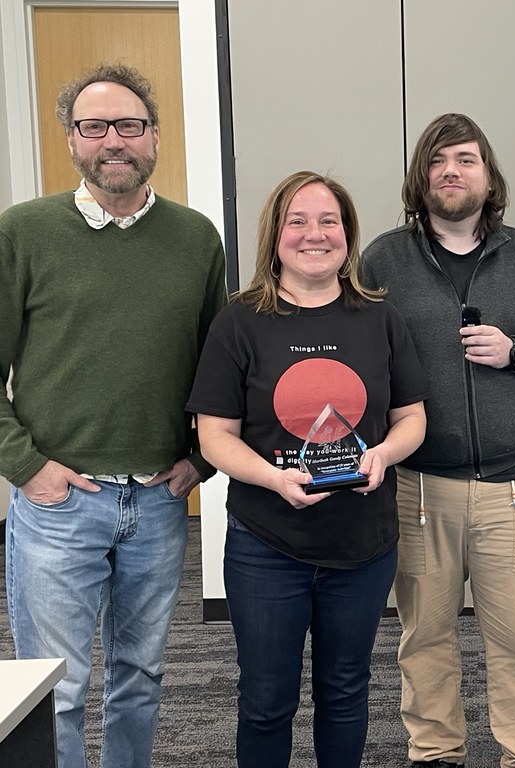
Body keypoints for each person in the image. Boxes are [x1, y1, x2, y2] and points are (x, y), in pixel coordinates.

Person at [0, 64, 227, 768]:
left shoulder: (196, 238)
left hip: (158, 502)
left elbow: (221, 370)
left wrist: (202, 459)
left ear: (154, 137)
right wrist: (27, 467)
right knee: (55, 692)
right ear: (72, 139)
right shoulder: (22, 232)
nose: (113, 141)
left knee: (141, 677)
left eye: (129, 125)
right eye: (94, 126)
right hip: (58, 503)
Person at [361, 113, 515, 768]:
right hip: (418, 489)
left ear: (488, 176)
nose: (451, 171)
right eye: (437, 161)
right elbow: (356, 356)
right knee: (423, 640)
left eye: (465, 159)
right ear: (421, 177)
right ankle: (436, 752)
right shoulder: (383, 259)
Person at [186, 171, 428, 768]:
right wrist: (274, 478)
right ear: (275, 235)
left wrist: (383, 454)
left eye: (328, 221)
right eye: (297, 221)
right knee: (266, 701)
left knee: (346, 693)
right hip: (266, 546)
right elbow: (214, 437)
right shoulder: (239, 321)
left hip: (363, 544)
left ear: (347, 234)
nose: (314, 234)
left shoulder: (381, 318)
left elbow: (412, 419)